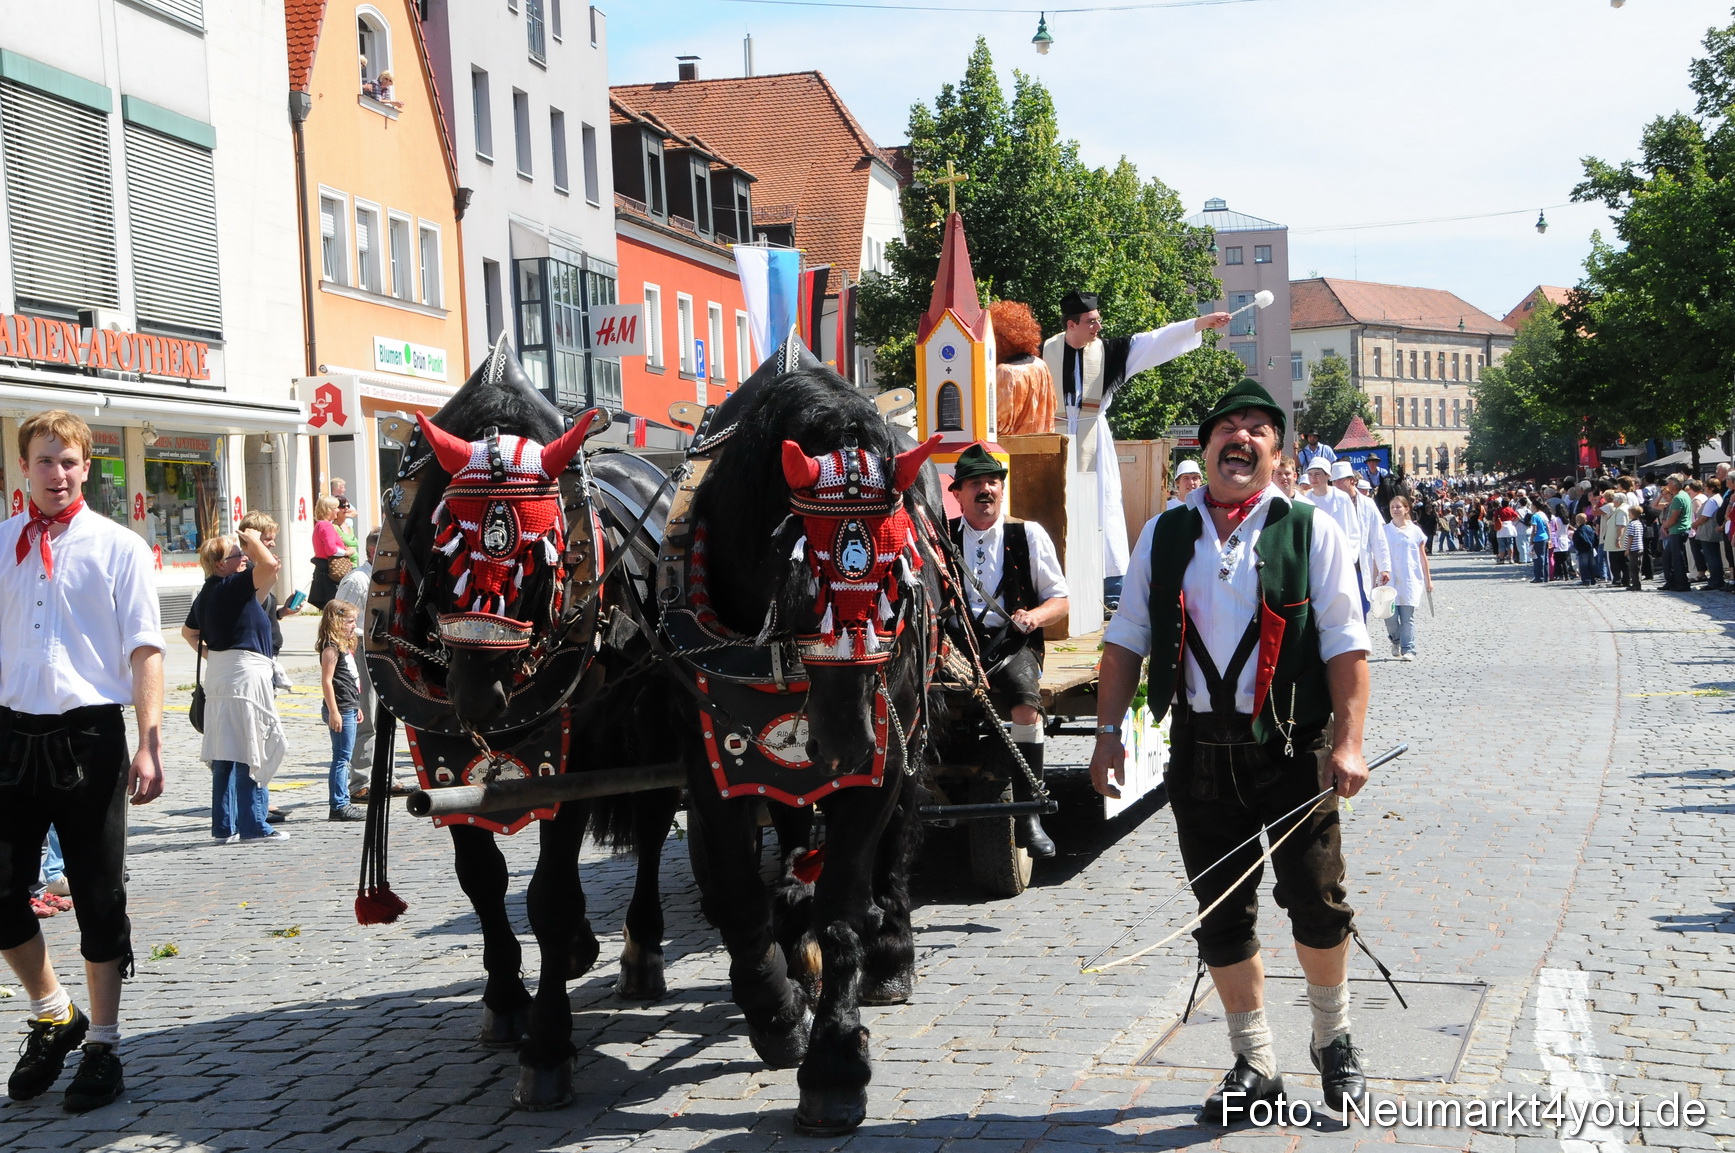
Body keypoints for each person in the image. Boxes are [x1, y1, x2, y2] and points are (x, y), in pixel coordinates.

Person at [1090, 380, 1373, 1124]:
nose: (1239, 437)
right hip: (1200, 748)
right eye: (1227, 427)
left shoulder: (1310, 529)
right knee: (1220, 909)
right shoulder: (1166, 531)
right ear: (1207, 445)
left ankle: (1333, 1040)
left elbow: (1346, 642)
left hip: (1293, 745)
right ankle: (1255, 1060)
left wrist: (1348, 743)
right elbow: (1126, 638)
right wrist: (1107, 734)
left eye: (1257, 429)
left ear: (1278, 455)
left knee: (1316, 899)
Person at [0, 409, 165, 1112]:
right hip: (9, 737)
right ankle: (53, 1012)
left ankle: (102, 1042)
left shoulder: (119, 546)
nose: (57, 473)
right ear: (24, 467)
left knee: (98, 896)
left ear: (87, 468)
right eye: (45, 460)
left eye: (69, 461)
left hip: (89, 739)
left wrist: (150, 739)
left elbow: (145, 647)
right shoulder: (2, 542)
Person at [1041, 290, 1231, 597]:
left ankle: (1110, 586)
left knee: (1102, 506)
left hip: (1094, 438)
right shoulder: (1042, 352)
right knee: (1055, 506)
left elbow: (1152, 341)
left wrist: (1199, 323)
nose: (1098, 327)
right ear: (1071, 324)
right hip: (1053, 437)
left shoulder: (1109, 352)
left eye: (1098, 320)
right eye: (1091, 321)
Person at [946, 444, 1071, 858]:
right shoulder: (941, 537)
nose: (985, 489)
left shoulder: (1028, 534)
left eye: (992, 483)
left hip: (1011, 643)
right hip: (956, 646)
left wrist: (1033, 617)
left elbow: (1060, 600)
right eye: (975, 483)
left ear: (1002, 491)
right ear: (958, 493)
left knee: (1024, 704)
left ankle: (1029, 814)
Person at [182, 530, 288, 844]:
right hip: (243, 677)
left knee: (225, 753)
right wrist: (251, 538)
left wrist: (216, 655)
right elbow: (269, 565)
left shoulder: (209, 591)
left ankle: (224, 827)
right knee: (249, 748)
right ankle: (254, 825)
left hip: (222, 676)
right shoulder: (231, 585)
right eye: (236, 555)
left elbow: (189, 633)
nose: (243, 558)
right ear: (219, 564)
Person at [318, 601, 366, 821]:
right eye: (349, 621)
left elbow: (350, 679)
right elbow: (327, 681)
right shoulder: (331, 648)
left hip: (349, 705)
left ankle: (341, 802)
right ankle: (338, 805)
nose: (353, 625)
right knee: (342, 758)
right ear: (336, 622)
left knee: (345, 756)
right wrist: (334, 711)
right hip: (340, 708)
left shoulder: (344, 645)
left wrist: (357, 706)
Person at [1332, 461, 1392, 614]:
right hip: (1337, 565)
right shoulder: (1331, 503)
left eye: (1340, 480)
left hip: (1359, 565)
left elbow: (1377, 537)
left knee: (1362, 607)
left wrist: (1384, 568)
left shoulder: (1367, 504)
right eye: (1334, 481)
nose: (1337, 484)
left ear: (1352, 480)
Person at [989, 301, 1055, 436]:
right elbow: (1051, 410)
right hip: (1041, 444)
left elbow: (998, 424)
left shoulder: (1005, 372)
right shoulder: (1041, 365)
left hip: (1010, 446)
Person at [1381, 496, 1430, 660]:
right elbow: (1377, 557)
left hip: (1409, 579)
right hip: (1389, 581)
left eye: (1398, 507)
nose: (1395, 510)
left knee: (1407, 618)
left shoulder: (1415, 532)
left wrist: (1428, 580)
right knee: (1390, 617)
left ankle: (1409, 649)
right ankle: (1395, 639)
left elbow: (1423, 557)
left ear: (1406, 509)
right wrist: (1375, 578)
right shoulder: (1384, 531)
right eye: (1392, 507)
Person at [308, 495, 352, 609]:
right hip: (330, 571)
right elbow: (331, 550)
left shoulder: (319, 524)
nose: (338, 510)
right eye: (336, 507)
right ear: (329, 510)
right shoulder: (326, 526)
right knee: (335, 607)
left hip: (322, 570)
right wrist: (347, 553)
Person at [1657, 476, 1692, 591]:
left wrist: (1665, 526)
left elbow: (1673, 518)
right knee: (1667, 557)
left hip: (1678, 531)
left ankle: (1681, 584)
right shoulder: (1683, 495)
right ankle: (1671, 582)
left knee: (1677, 559)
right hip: (1677, 530)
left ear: (1674, 485)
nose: (1667, 485)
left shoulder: (1678, 498)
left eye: (1669, 483)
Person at [1692, 477, 1725, 591]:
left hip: (1708, 532)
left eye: (1705, 487)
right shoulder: (1717, 498)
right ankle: (1717, 580)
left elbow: (1704, 517)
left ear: (1711, 488)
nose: (1704, 488)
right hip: (1711, 532)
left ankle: (1715, 581)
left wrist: (1693, 525)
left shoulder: (1712, 500)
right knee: (1714, 556)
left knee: (1712, 557)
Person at [1600, 489, 1632, 589]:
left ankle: (1617, 580)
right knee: (1623, 562)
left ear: (1618, 501)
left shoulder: (1621, 510)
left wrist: (1618, 539)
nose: (1612, 501)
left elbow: (1621, 525)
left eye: (1614, 500)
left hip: (1617, 542)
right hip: (1623, 541)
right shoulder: (1625, 508)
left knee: (1615, 562)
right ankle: (1625, 580)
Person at [1572, 513, 1599, 587]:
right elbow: (1594, 537)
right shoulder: (1589, 528)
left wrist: (1578, 547)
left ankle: (1586, 579)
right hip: (1591, 549)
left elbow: (1578, 540)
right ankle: (1592, 579)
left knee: (1583, 565)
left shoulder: (1579, 530)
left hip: (1583, 550)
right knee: (1591, 564)